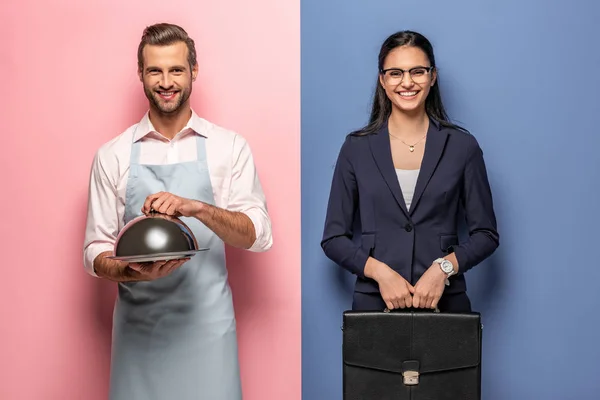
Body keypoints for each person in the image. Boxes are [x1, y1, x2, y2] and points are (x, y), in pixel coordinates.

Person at [82, 23, 272, 400]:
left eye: (176, 70)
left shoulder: (228, 147)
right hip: (139, 336)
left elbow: (258, 235)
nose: (166, 81)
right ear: (141, 74)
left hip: (208, 330)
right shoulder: (113, 154)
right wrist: (131, 270)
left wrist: (198, 208)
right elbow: (94, 251)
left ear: (193, 71)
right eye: (155, 70)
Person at [321, 30, 499, 313]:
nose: (407, 82)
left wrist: (443, 268)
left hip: (447, 307)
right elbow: (333, 239)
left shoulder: (462, 146)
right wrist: (380, 273)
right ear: (382, 79)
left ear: (433, 76)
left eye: (417, 72)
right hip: (373, 308)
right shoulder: (356, 148)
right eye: (395, 73)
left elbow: (486, 234)